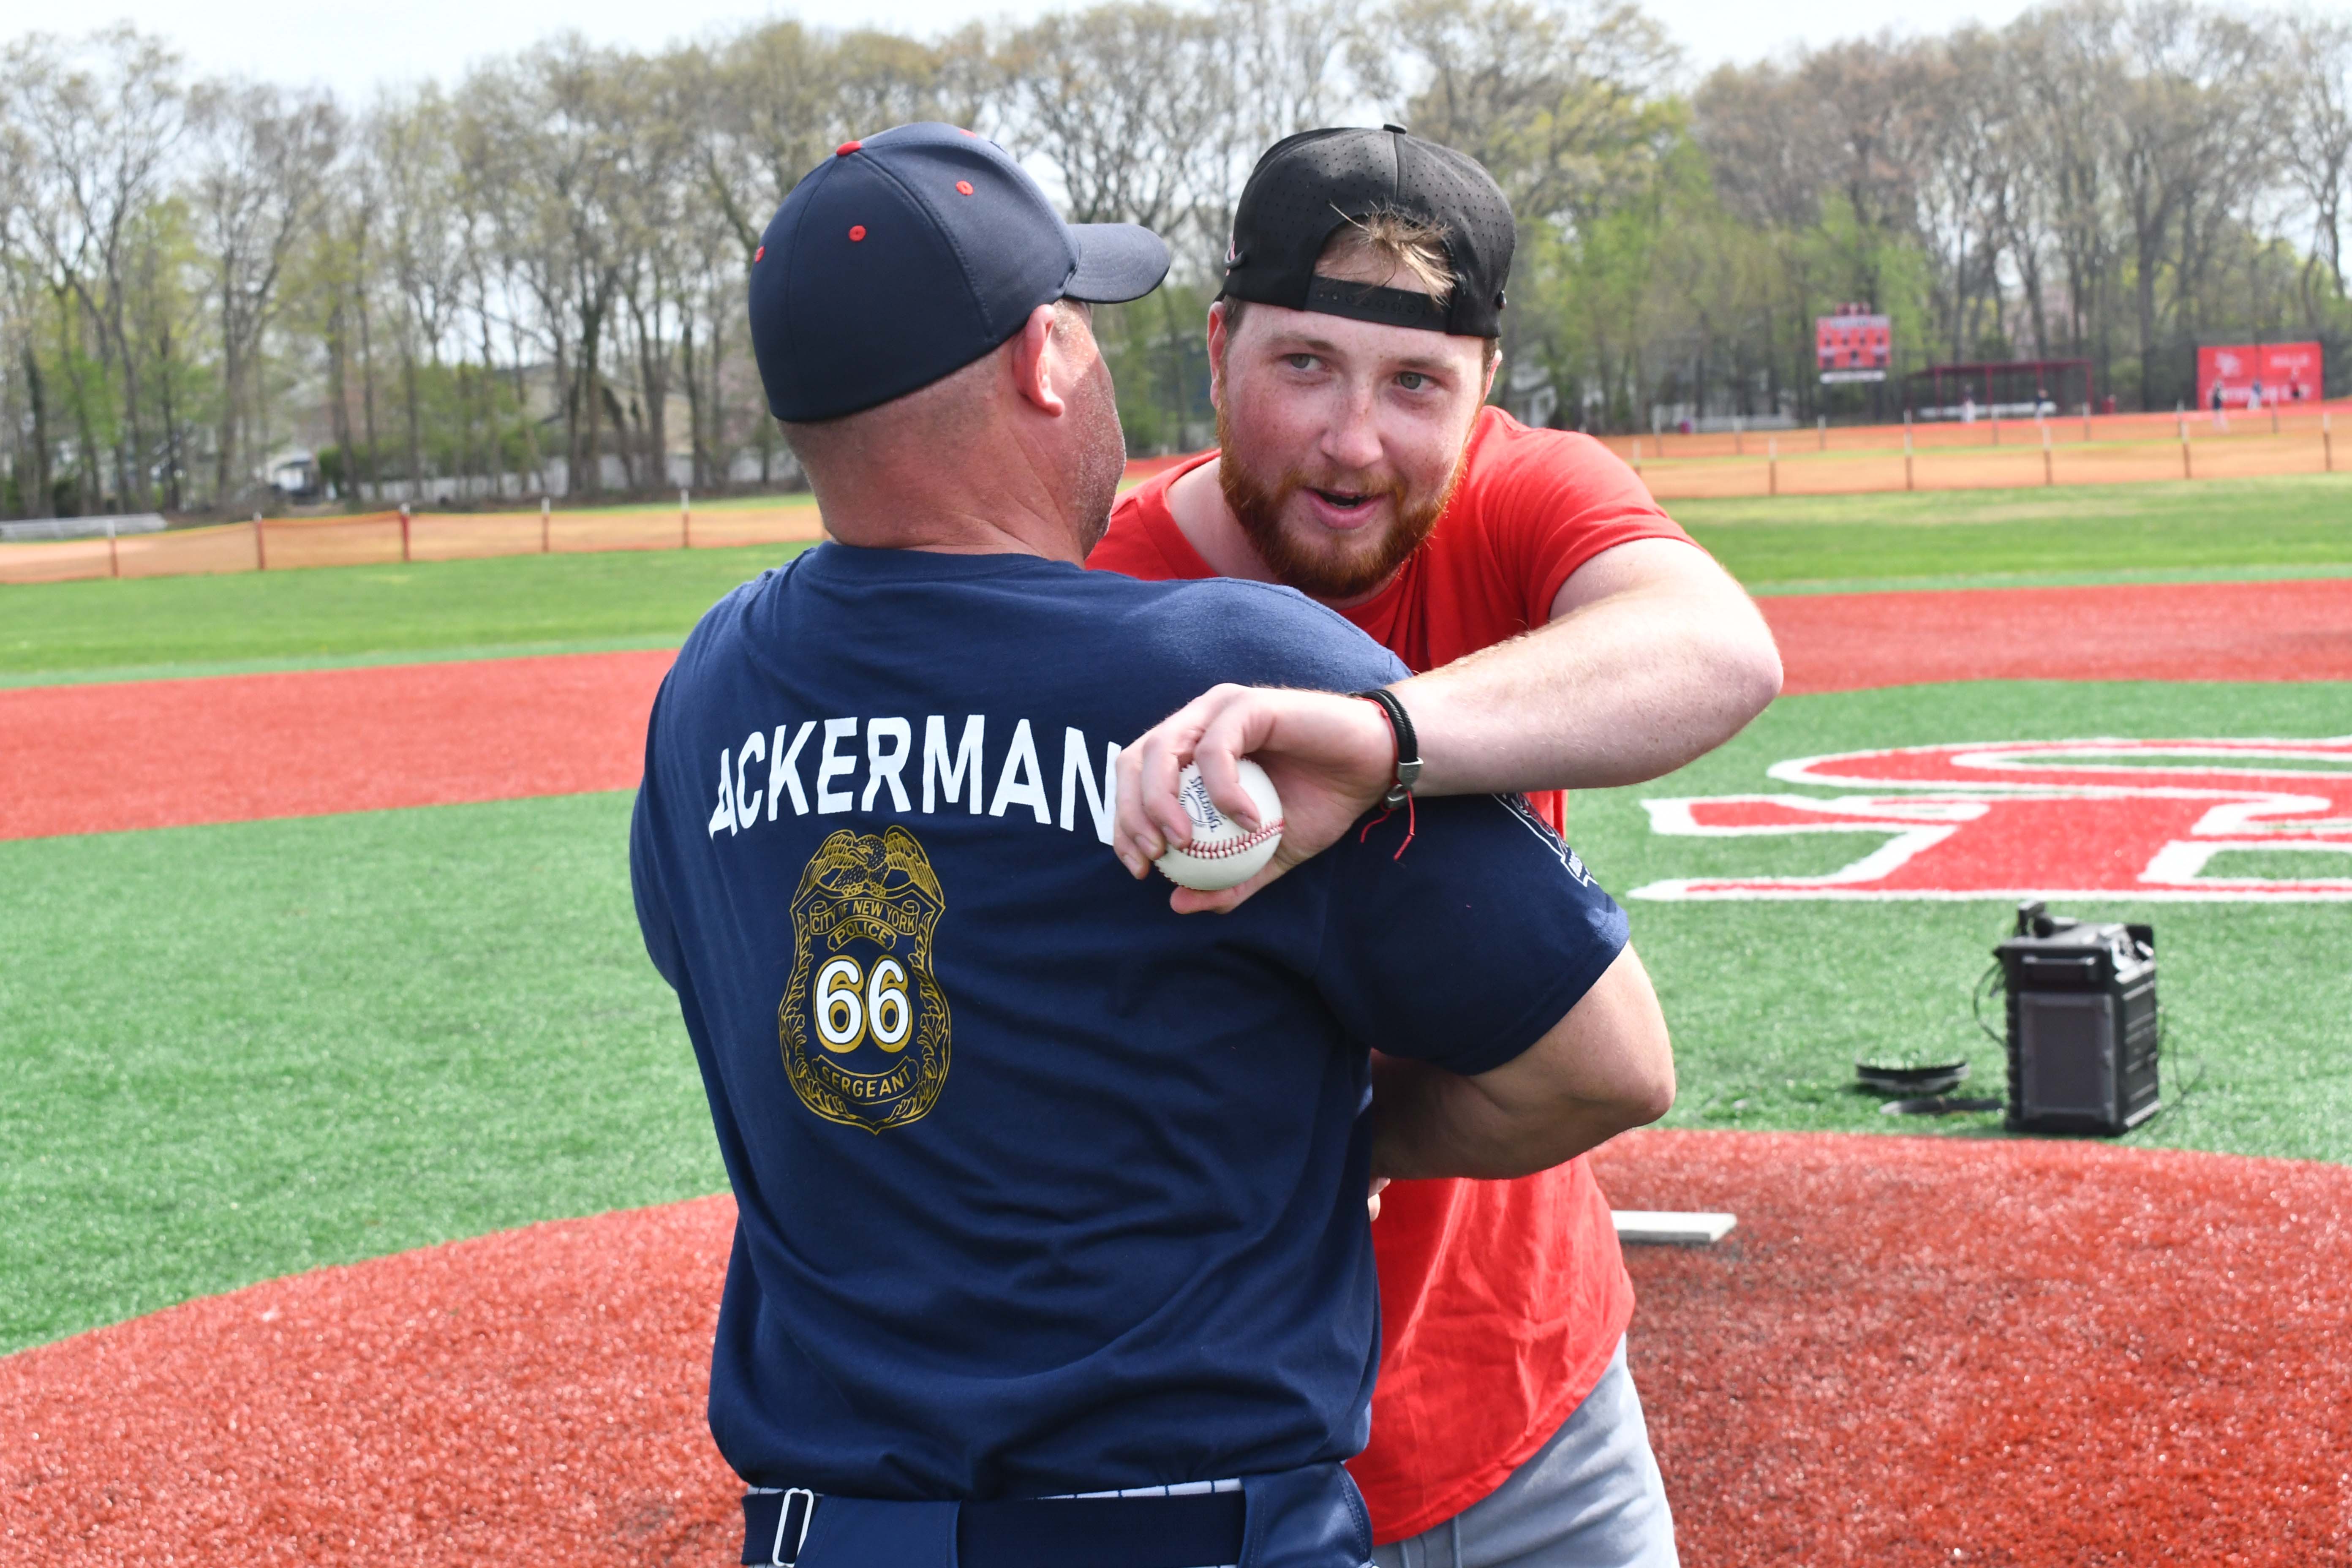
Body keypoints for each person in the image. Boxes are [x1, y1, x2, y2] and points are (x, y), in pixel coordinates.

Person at [628, 122, 1677, 1568]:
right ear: (1045, 358)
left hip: (833, 1529)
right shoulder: (1228, 669)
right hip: (1187, 1518)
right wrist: (1328, 1141)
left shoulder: (709, 689)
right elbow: (1609, 1064)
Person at [1092, 127, 1783, 1568]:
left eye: (1416, 383)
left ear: (1485, 391)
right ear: (1218, 347)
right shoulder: (1099, 583)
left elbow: (1720, 649)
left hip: (1532, 1412)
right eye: (1305, 365)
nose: (1355, 441)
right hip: (1204, 1444)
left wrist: (1383, 742)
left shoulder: (1516, 494)